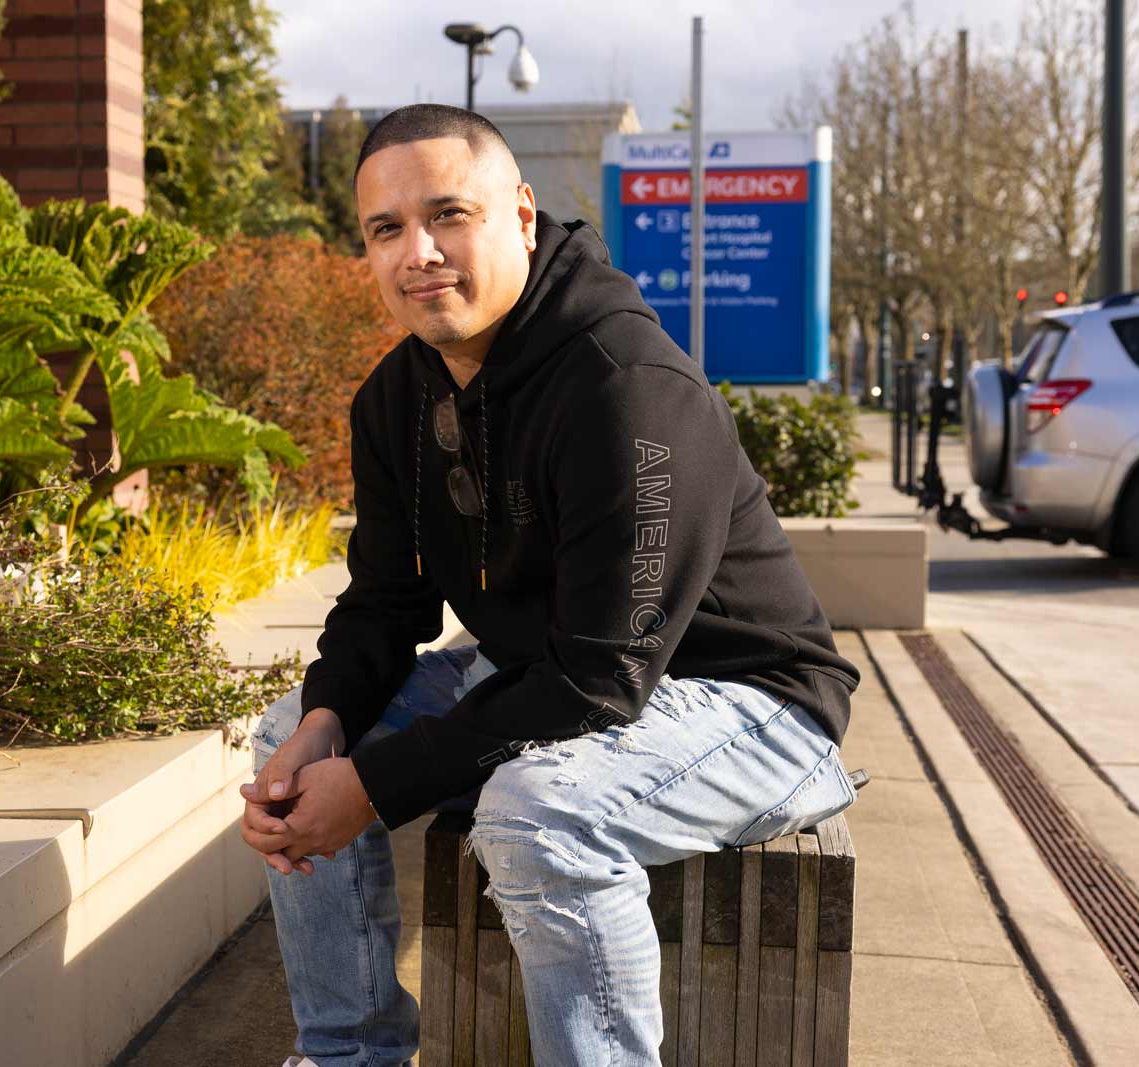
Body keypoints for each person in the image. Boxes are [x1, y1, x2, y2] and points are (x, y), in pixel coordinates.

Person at [238, 103, 861, 1067]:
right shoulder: (395, 400)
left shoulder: (626, 385)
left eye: (450, 214)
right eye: (387, 229)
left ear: (521, 216)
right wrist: (329, 726)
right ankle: (347, 1055)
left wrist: (369, 785)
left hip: (754, 706)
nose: (421, 253)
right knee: (285, 742)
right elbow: (385, 605)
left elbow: (599, 679)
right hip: (549, 671)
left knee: (535, 815)